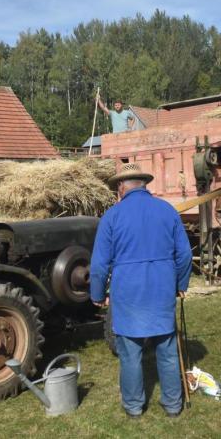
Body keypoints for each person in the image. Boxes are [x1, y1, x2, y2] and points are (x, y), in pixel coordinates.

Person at [90, 163, 193, 419]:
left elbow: (99, 264)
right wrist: (180, 285)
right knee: (167, 351)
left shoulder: (112, 216)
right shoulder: (167, 210)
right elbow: (184, 255)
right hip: (162, 288)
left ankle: (134, 407)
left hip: (128, 293)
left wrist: (97, 294)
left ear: (121, 187)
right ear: (143, 184)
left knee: (130, 353)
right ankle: (173, 405)